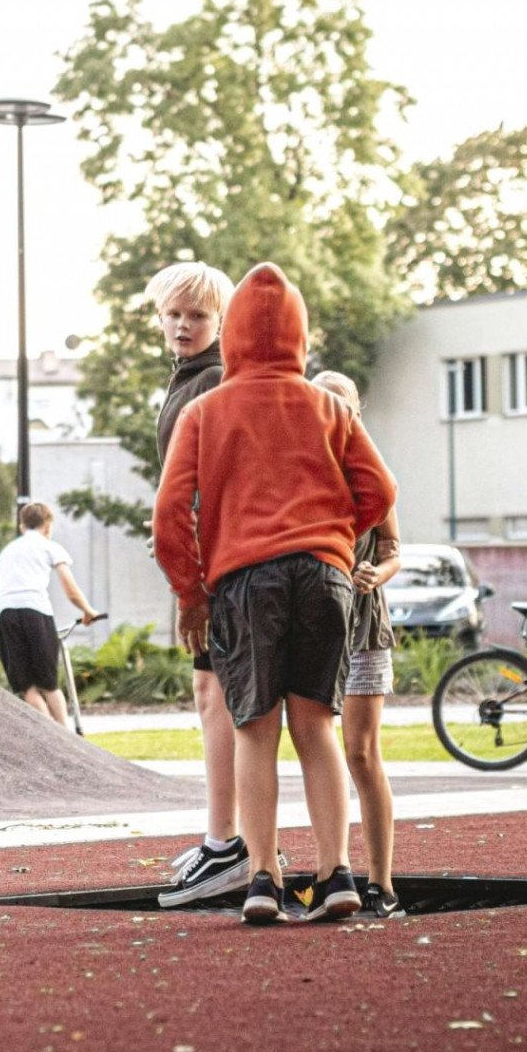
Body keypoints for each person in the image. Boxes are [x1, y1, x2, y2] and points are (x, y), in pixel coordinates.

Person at [153, 264, 396, 925]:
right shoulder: (328, 406)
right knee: (316, 724)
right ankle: (336, 873)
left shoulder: (205, 409)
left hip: (244, 579)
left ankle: (263, 878)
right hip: (324, 576)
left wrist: (191, 593)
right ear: (299, 333)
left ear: (230, 331)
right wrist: (337, 538)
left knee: (254, 728)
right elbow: (380, 490)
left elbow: (169, 511)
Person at [140, 262, 254, 907]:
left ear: (221, 321)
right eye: (173, 314)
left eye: (198, 316)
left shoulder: (210, 379)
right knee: (214, 692)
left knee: (217, 694)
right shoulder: (191, 377)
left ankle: (227, 842)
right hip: (211, 555)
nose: (183, 325)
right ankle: (230, 836)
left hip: (217, 563)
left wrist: (193, 573)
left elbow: (207, 480)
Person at [311, 370, 405, 920]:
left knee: (361, 753)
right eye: (319, 399)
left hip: (364, 626)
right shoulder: (294, 469)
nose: (329, 409)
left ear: (356, 412)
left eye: (339, 402)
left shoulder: (373, 473)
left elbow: (393, 548)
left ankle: (381, 884)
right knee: (312, 746)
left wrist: (378, 573)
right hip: (311, 625)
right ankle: (331, 872)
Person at [0, 502, 100, 725]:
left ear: (22, 527)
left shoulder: (6, 552)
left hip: (4, 614)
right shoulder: (50, 547)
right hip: (35, 611)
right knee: (49, 684)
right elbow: (70, 589)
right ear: (48, 526)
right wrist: (88, 611)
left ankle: (50, 735)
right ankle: (66, 737)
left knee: (27, 686)